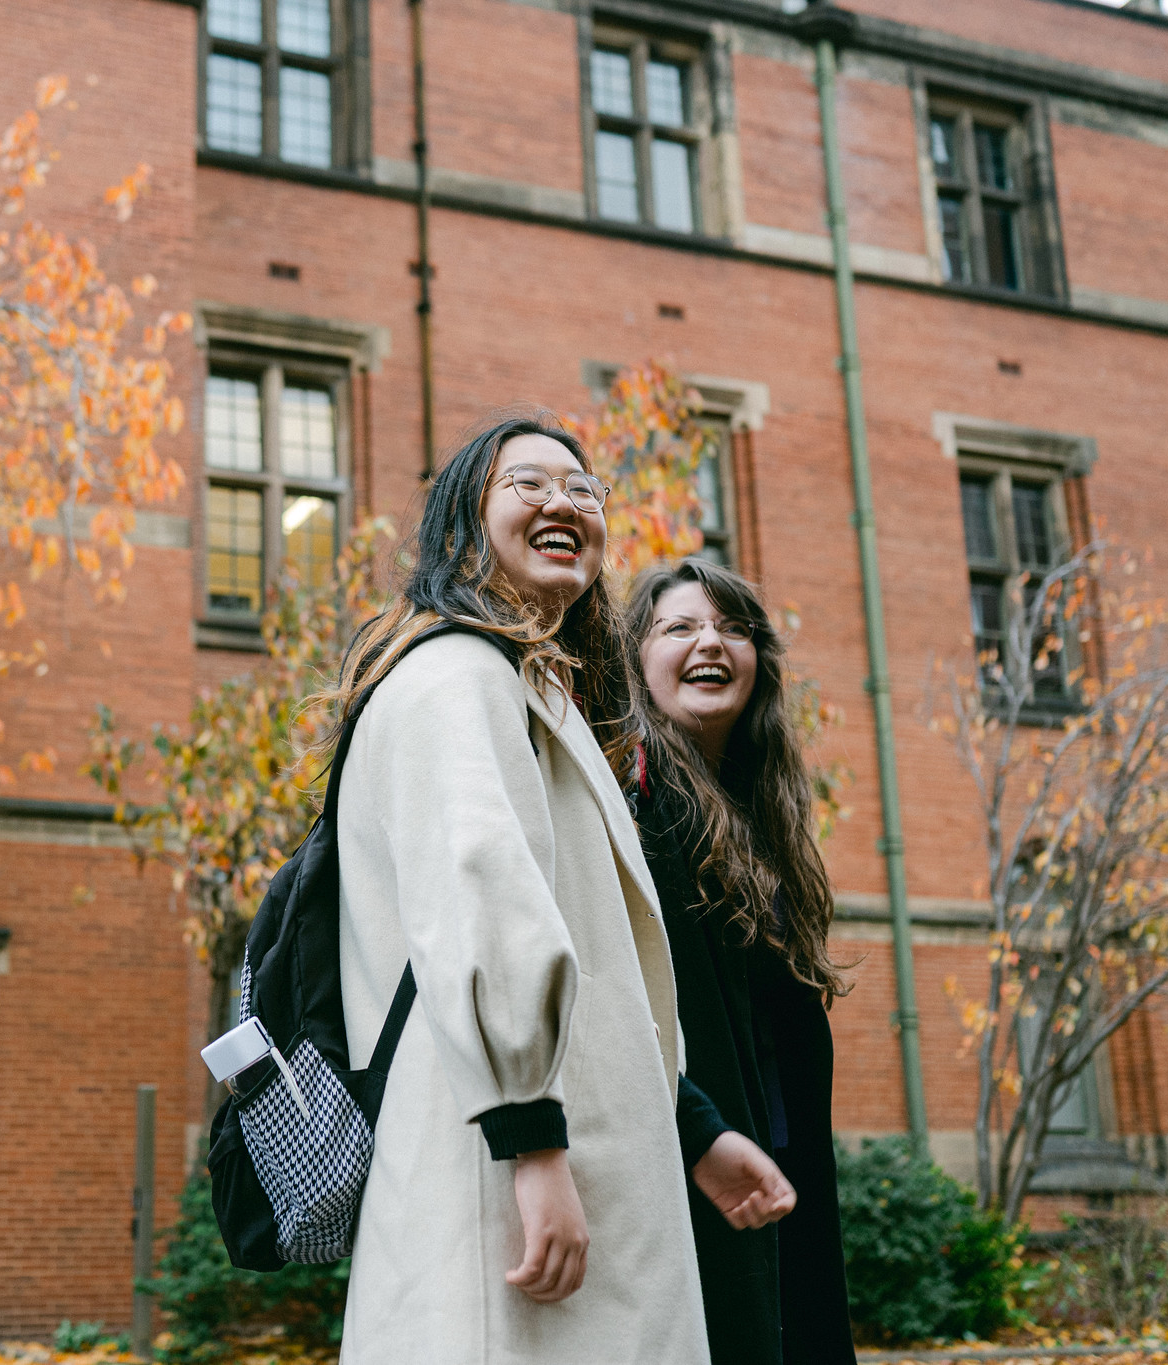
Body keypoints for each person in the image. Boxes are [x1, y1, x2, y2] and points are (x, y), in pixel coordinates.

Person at [328, 415, 787, 1364]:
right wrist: (530, 1145)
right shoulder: (458, 673)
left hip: (581, 1156)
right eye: (527, 484)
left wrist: (684, 1130)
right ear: (465, 522)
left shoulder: (531, 689)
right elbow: (480, 910)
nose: (563, 503)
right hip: (512, 1161)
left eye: (582, 488)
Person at [626, 557, 859, 1365]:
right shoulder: (631, 807)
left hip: (780, 1157)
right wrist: (698, 1129)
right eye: (680, 626)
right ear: (637, 659)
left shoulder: (766, 817)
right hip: (688, 1163)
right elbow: (615, 1004)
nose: (709, 642)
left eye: (731, 627)